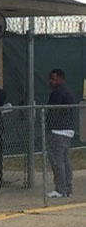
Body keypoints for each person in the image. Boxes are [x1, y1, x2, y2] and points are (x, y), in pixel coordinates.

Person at [46, 68, 75, 198]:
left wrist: (48, 125)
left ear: (60, 78)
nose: (51, 81)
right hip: (68, 130)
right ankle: (67, 188)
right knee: (65, 161)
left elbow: (53, 112)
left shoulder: (57, 93)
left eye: (53, 79)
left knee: (57, 161)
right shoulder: (68, 91)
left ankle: (60, 189)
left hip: (57, 131)